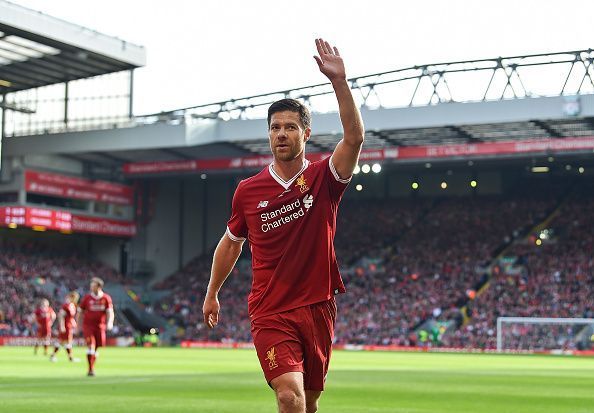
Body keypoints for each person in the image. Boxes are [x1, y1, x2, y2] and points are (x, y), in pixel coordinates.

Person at [203, 38, 364, 413]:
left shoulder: (326, 177)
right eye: (275, 127)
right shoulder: (248, 191)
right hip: (270, 308)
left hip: (318, 305)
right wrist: (212, 291)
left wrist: (339, 82)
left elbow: (354, 139)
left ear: (306, 135)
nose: (281, 134)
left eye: (290, 127)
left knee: (308, 402)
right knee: (288, 395)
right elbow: (230, 243)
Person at [78, 277, 114, 376]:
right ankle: (90, 369)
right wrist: (78, 325)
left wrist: (109, 323)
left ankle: (92, 367)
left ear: (99, 287)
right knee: (91, 346)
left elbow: (110, 312)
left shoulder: (106, 298)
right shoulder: (87, 298)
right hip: (88, 326)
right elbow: (80, 313)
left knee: (97, 348)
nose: (91, 287)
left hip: (100, 326)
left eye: (93, 285)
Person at [50, 291, 80, 362]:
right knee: (65, 341)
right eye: (75, 298)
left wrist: (74, 323)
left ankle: (53, 356)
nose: (76, 299)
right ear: (72, 297)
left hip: (69, 325)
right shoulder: (66, 305)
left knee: (63, 341)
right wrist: (62, 326)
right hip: (66, 326)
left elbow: (71, 317)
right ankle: (70, 358)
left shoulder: (72, 305)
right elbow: (61, 315)